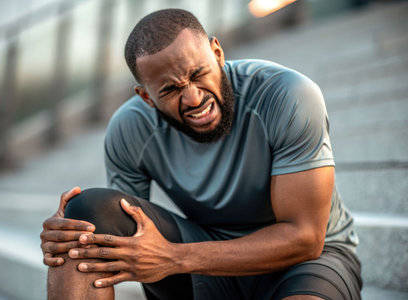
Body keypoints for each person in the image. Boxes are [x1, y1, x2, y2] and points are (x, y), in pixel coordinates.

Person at [40, 8, 362, 300]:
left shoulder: (286, 94)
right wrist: (65, 235)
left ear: (217, 53)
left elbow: (305, 238)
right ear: (146, 97)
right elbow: (118, 228)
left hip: (308, 264)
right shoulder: (130, 128)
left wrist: (174, 257)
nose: (193, 99)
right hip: (206, 263)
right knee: (84, 223)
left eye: (197, 74)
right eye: (170, 89)